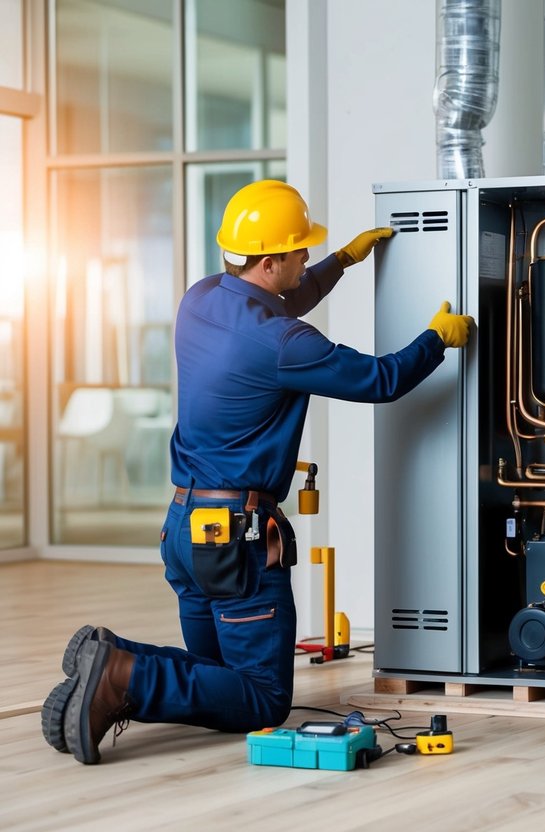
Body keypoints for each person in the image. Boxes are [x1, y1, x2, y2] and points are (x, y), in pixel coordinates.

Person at [41, 180, 473, 764]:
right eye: (299, 253)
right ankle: (123, 675)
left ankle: (110, 657)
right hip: (237, 540)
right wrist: (435, 341)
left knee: (220, 677)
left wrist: (339, 264)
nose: (304, 261)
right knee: (264, 698)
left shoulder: (200, 300)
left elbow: (278, 301)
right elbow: (380, 379)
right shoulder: (286, 343)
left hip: (184, 529)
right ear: (270, 260)